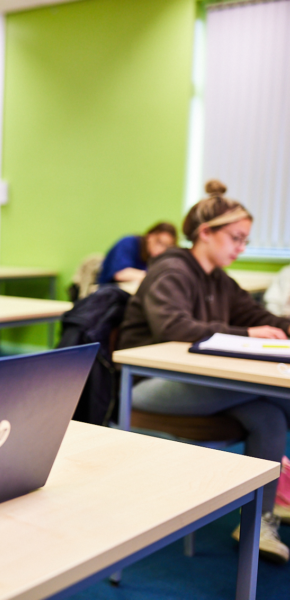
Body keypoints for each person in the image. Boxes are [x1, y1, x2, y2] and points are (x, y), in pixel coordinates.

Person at [118, 179, 290, 564]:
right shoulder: (171, 270)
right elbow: (173, 328)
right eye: (236, 238)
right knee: (280, 393)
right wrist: (246, 333)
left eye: (246, 240)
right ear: (205, 233)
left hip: (201, 384)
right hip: (147, 384)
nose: (241, 248)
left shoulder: (220, 281)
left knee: (270, 417)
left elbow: (260, 317)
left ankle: (258, 523)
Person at [97, 222, 177, 284]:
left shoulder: (159, 259)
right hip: (108, 295)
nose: (161, 249)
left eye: (167, 247)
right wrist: (153, 277)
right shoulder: (129, 243)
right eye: (159, 242)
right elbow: (121, 273)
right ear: (149, 236)